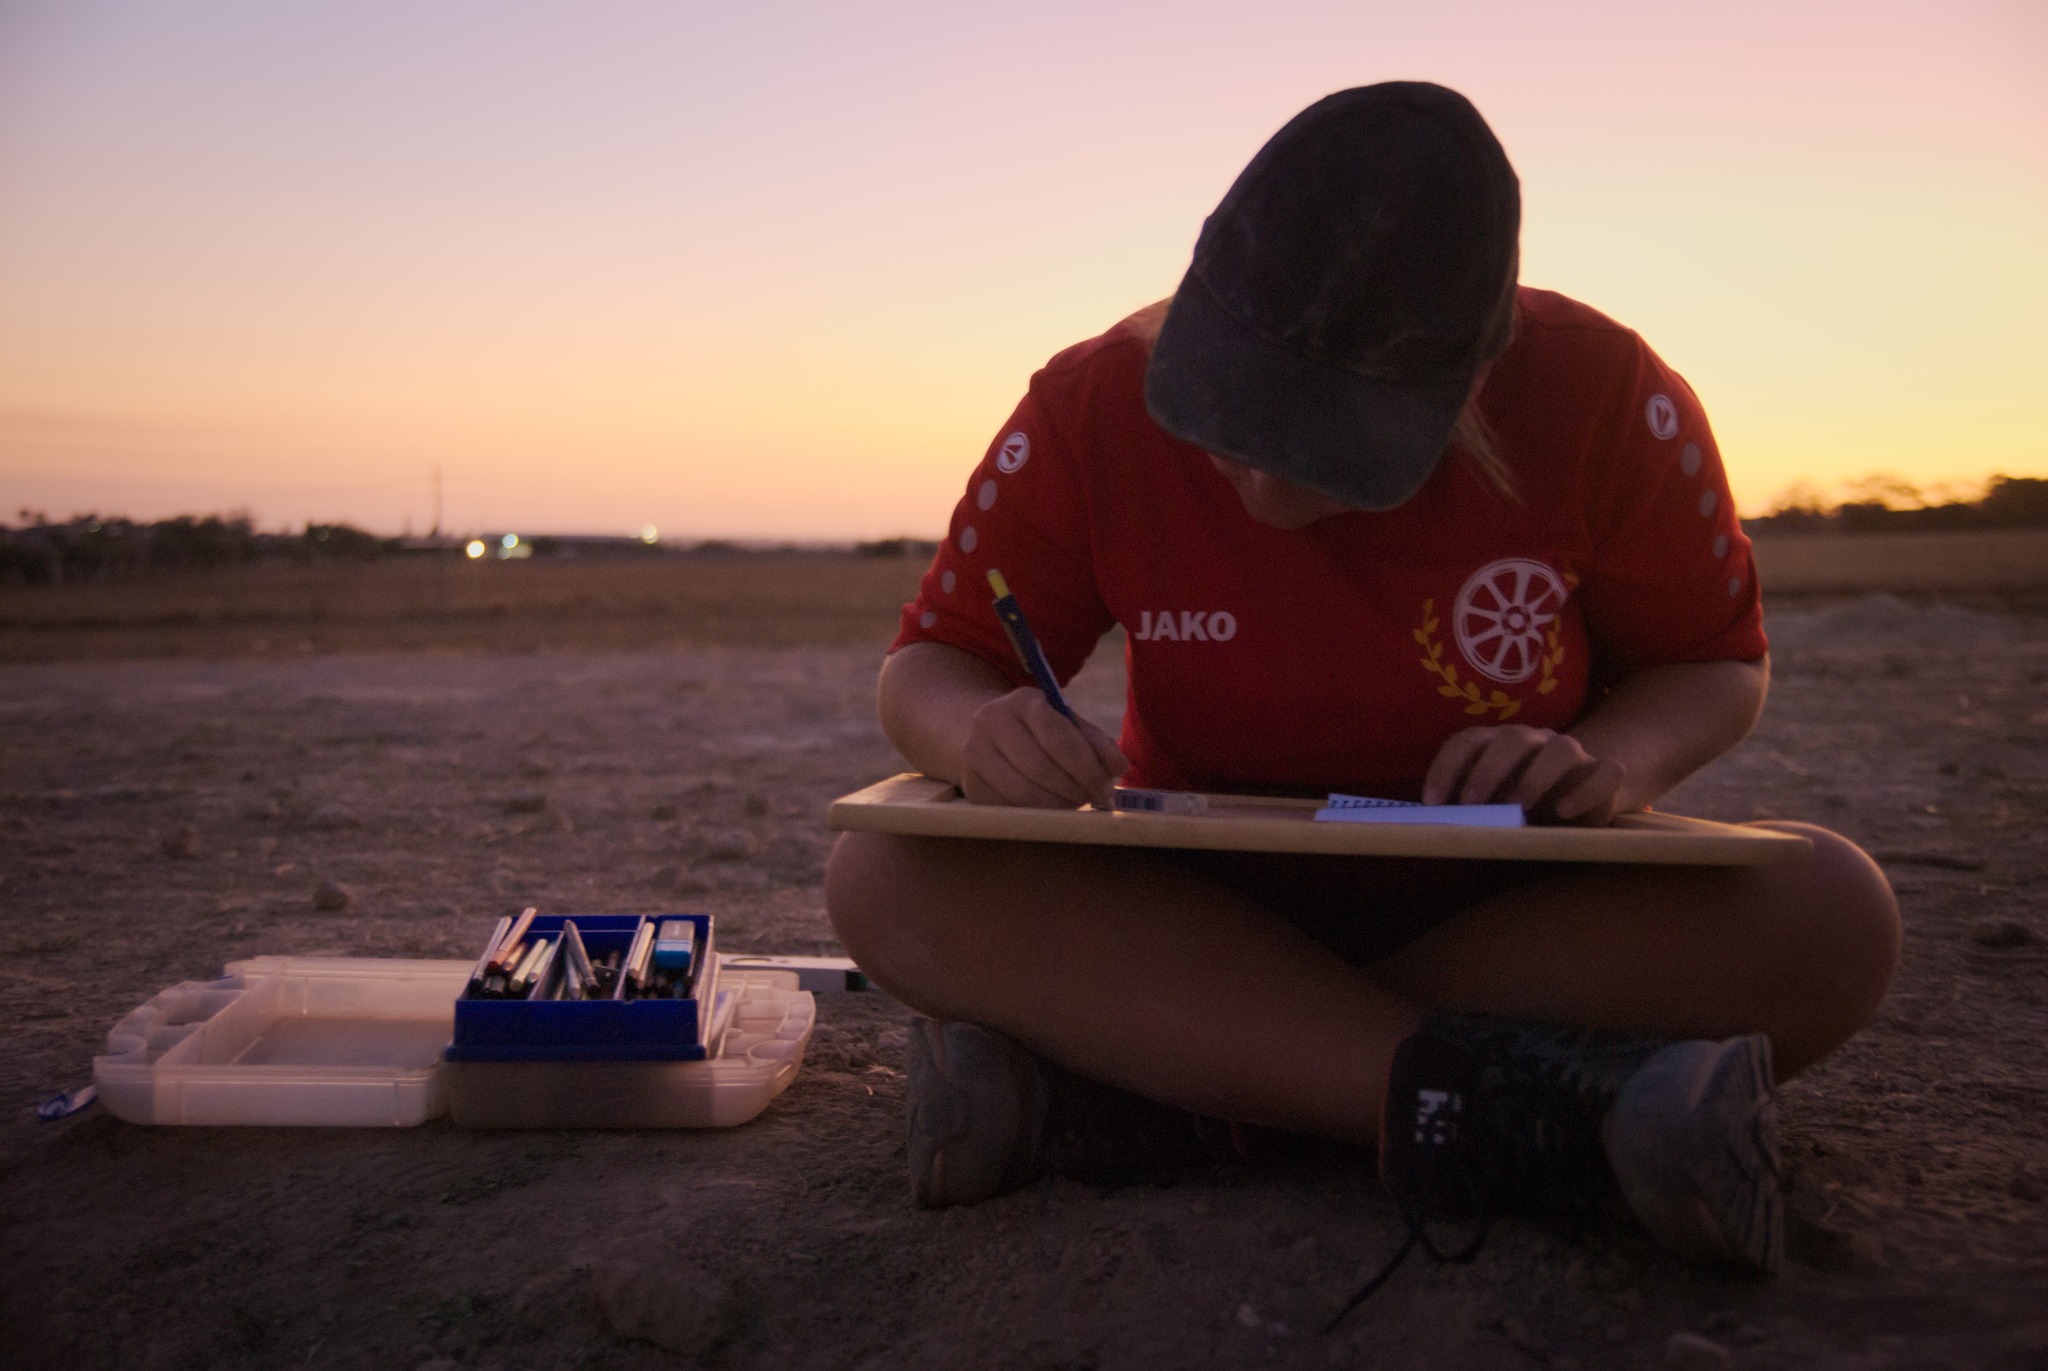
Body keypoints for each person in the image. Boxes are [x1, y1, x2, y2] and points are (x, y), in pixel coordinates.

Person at [825, 83, 1899, 1279]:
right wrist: (979, 733)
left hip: (1508, 912)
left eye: (1334, 455)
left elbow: (1710, 664)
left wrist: (1612, 758)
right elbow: (929, 666)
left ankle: (1163, 1093)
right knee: (888, 869)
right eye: (1227, 429)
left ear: (1470, 384)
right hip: (1185, 911)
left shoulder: (1603, 395)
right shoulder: (1087, 402)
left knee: (1830, 913)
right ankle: (1517, 1108)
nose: (1266, 498)